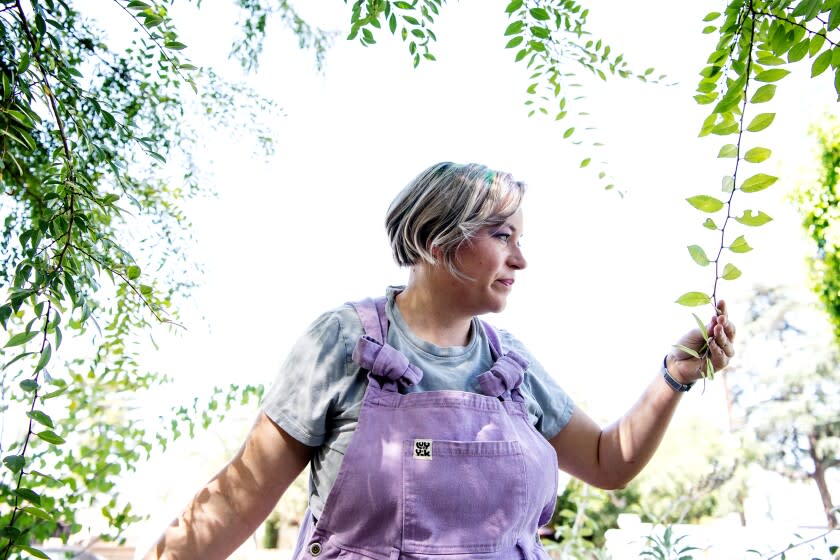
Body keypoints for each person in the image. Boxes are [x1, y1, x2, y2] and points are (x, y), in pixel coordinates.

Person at [144, 162, 736, 560]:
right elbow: (236, 501)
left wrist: (674, 375)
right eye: (502, 235)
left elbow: (609, 462)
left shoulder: (514, 367)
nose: (521, 259)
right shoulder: (342, 341)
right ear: (436, 242)